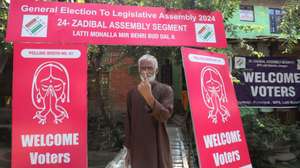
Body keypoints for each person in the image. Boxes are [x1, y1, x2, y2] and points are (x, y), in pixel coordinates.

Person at [124, 54, 174, 168]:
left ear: (156, 70)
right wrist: (128, 149)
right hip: (138, 146)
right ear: (139, 70)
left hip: (158, 144)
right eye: (143, 68)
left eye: (150, 68)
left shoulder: (166, 90)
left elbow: (165, 115)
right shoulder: (132, 93)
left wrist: (149, 98)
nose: (146, 71)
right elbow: (128, 121)